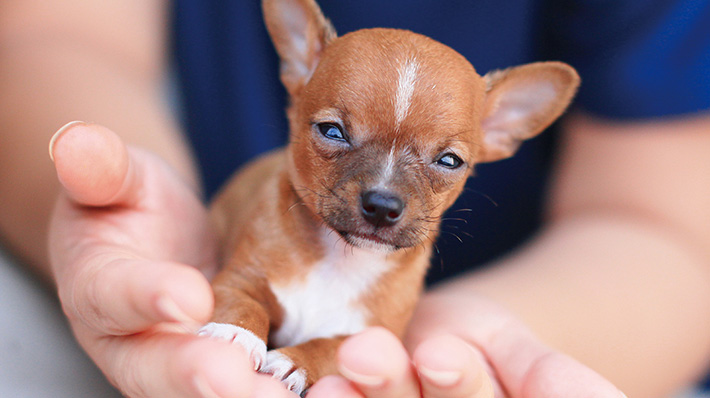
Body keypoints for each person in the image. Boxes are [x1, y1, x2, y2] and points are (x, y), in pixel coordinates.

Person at [0, 0, 708, 397]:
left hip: (556, 308)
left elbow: (667, 225)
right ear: (298, 64)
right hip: (159, 259)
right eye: (337, 134)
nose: (382, 193)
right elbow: (53, 33)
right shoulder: (270, 222)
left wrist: (471, 349)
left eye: (445, 162)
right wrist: (120, 188)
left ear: (499, 131)